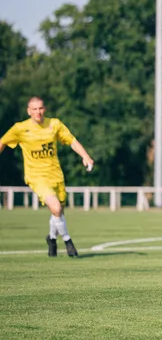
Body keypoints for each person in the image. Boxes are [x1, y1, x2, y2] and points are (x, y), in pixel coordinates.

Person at [0, 97, 94, 257]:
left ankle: (51, 238)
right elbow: (2, 142)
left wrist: (85, 156)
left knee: (58, 212)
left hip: (55, 174)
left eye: (40, 108)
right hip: (36, 176)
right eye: (34, 109)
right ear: (28, 111)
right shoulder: (20, 128)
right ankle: (68, 241)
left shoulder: (54, 124)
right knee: (56, 207)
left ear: (45, 109)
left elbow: (71, 140)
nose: (38, 112)